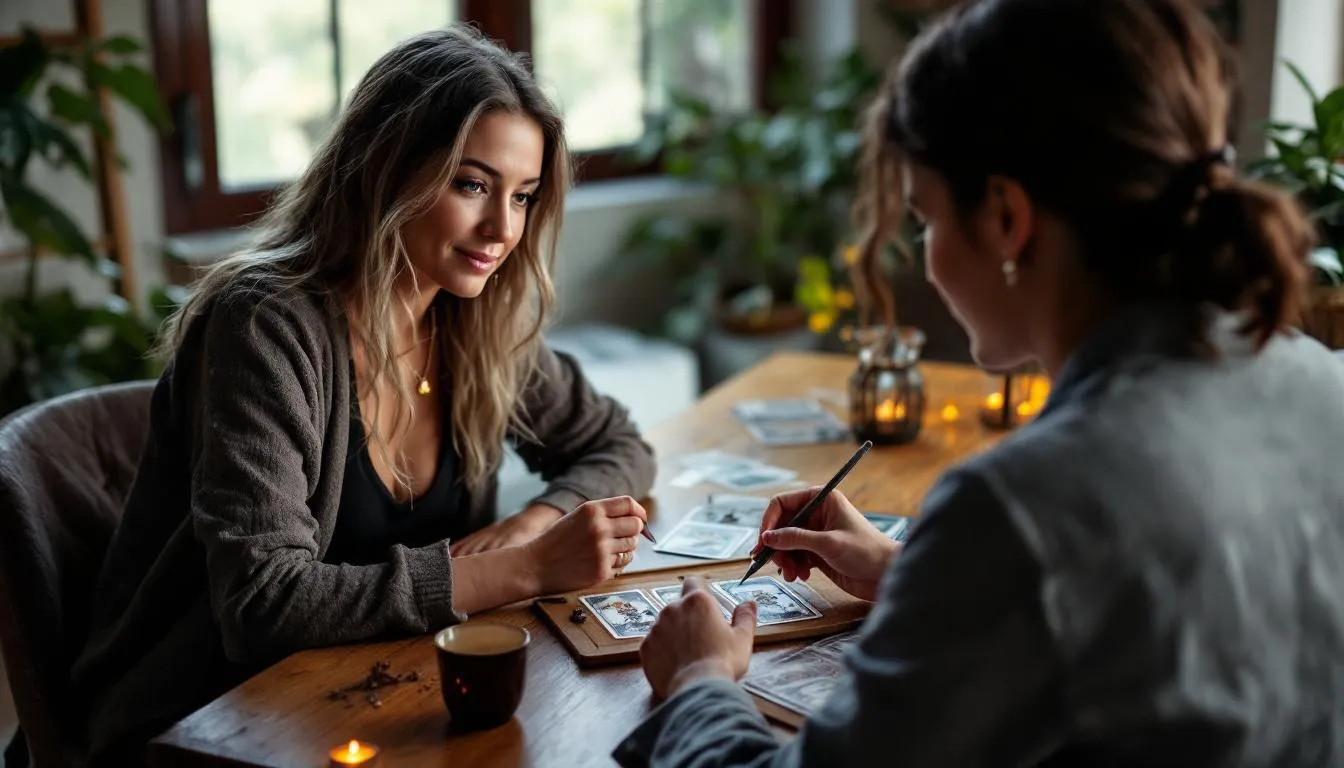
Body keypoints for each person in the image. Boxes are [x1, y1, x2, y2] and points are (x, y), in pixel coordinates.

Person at [616, 0, 1344, 765]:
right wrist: (917, 581)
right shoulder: (1323, 383)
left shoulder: (1023, 506)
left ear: (1005, 216)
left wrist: (699, 681)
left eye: (925, 217)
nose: (924, 252)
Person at [70, 25, 656, 763]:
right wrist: (526, 568)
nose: (502, 229)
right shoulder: (265, 322)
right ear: (385, 170)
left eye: (525, 196)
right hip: (209, 722)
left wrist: (535, 521)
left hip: (378, 693)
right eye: (471, 184)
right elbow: (263, 602)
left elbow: (619, 444)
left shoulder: (471, 312)